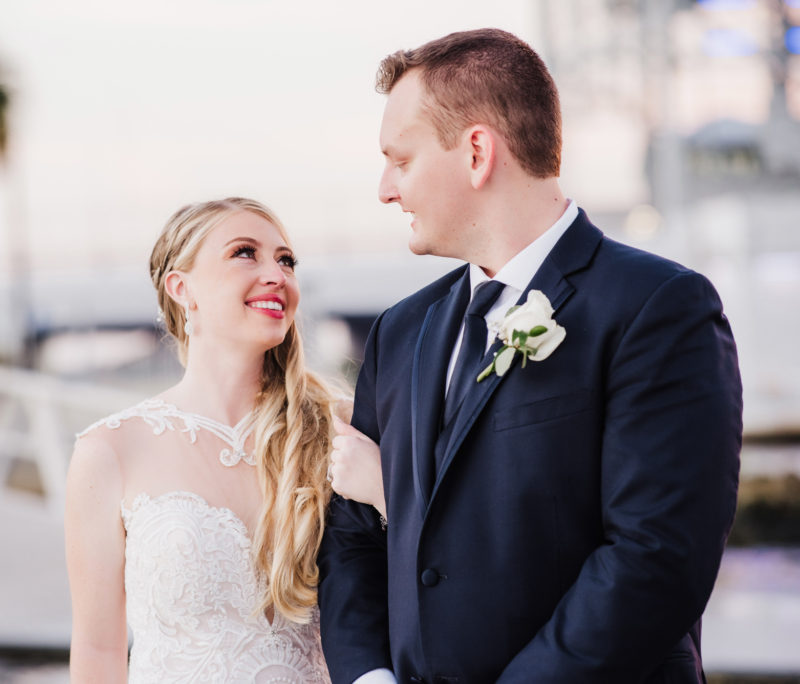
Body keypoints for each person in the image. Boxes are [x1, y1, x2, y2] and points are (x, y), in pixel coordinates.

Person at [317, 29, 743, 684]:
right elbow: (351, 542)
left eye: (400, 160)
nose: (385, 189)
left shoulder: (657, 309)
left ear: (477, 153)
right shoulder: (401, 332)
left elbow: (652, 561)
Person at [66, 197, 369, 683]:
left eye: (286, 260)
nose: (277, 275)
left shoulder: (341, 428)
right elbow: (98, 649)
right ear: (182, 288)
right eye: (245, 253)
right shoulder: (108, 450)